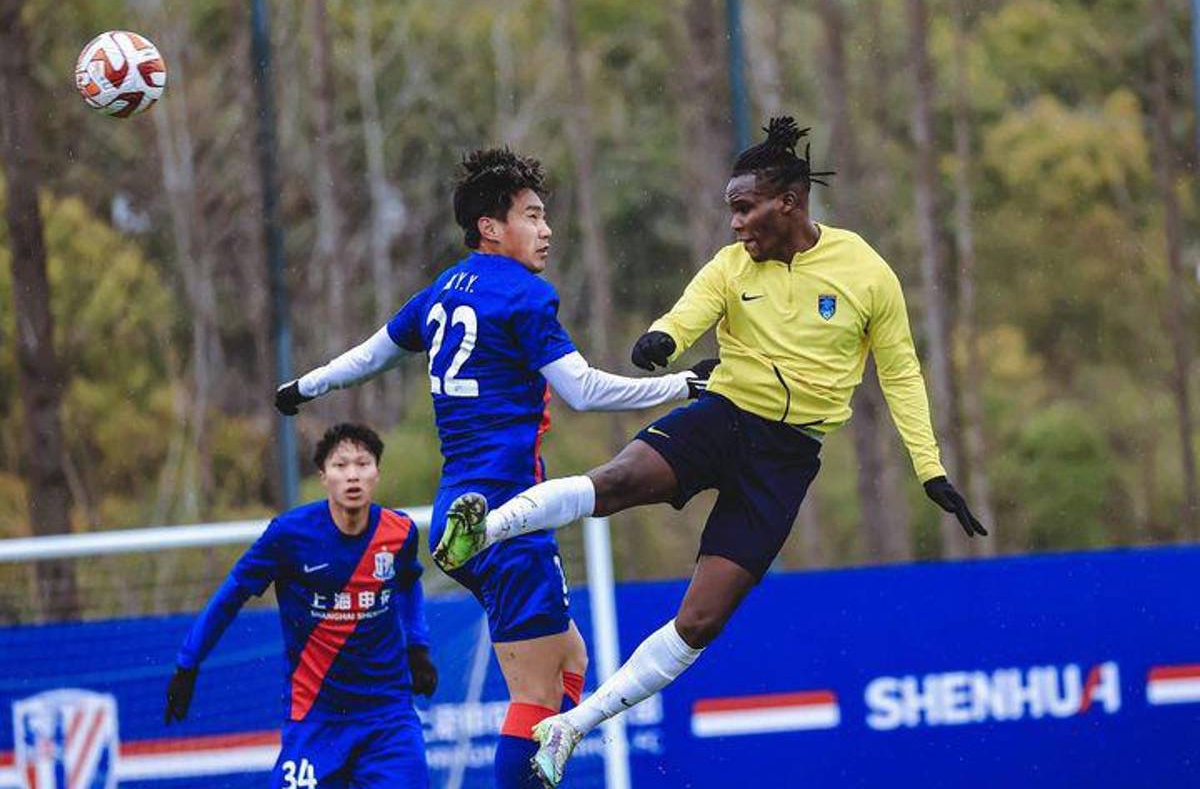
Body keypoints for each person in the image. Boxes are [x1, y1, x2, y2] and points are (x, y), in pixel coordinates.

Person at [434, 117, 988, 787]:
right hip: (723, 418)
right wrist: (663, 341)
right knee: (615, 482)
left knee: (699, 622)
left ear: (789, 202)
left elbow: (900, 372)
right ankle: (483, 530)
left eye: (745, 208)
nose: (735, 224)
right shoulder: (730, 267)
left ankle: (572, 728)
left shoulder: (866, 273)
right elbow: (686, 315)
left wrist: (930, 468)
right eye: (731, 209)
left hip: (787, 459)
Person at [272, 147, 715, 788]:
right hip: (507, 517)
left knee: (569, 658)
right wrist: (681, 386)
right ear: (490, 226)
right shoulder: (524, 295)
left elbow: (371, 355)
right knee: (537, 694)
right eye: (532, 216)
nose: (546, 230)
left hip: (464, 508)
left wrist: (305, 387)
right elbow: (584, 390)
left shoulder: (442, 290)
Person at [164, 423, 437, 789]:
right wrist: (188, 663)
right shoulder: (289, 535)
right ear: (323, 475)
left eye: (363, 464)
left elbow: (408, 583)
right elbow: (231, 596)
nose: (352, 475)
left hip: (388, 718)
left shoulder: (399, 532)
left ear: (377, 472)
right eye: (340, 465)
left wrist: (417, 648)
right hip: (315, 719)